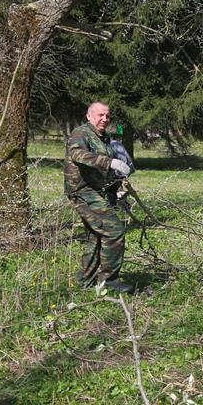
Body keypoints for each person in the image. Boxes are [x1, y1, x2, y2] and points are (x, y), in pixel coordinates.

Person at [64, 102, 135, 293]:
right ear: (89, 116)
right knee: (114, 230)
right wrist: (109, 162)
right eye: (100, 115)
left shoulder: (104, 138)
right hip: (82, 191)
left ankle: (85, 282)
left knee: (96, 236)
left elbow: (107, 169)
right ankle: (109, 281)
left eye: (107, 116)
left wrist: (117, 187)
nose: (104, 119)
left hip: (100, 191)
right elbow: (77, 154)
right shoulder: (81, 133)